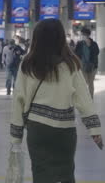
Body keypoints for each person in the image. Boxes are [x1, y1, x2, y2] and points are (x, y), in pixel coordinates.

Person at [10, 19, 103, 183]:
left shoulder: (28, 63)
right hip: (64, 130)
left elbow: (19, 99)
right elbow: (83, 98)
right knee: (66, 173)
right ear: (61, 37)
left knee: (41, 173)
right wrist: (94, 129)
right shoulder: (70, 64)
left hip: (37, 129)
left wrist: (16, 137)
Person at [75, 28, 100, 98]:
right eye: (81, 34)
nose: (82, 36)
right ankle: (85, 97)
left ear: (87, 35)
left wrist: (88, 45)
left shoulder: (94, 44)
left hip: (92, 66)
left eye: (83, 34)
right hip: (82, 66)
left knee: (91, 82)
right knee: (84, 82)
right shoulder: (80, 44)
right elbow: (76, 53)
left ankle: (91, 97)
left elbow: (97, 52)